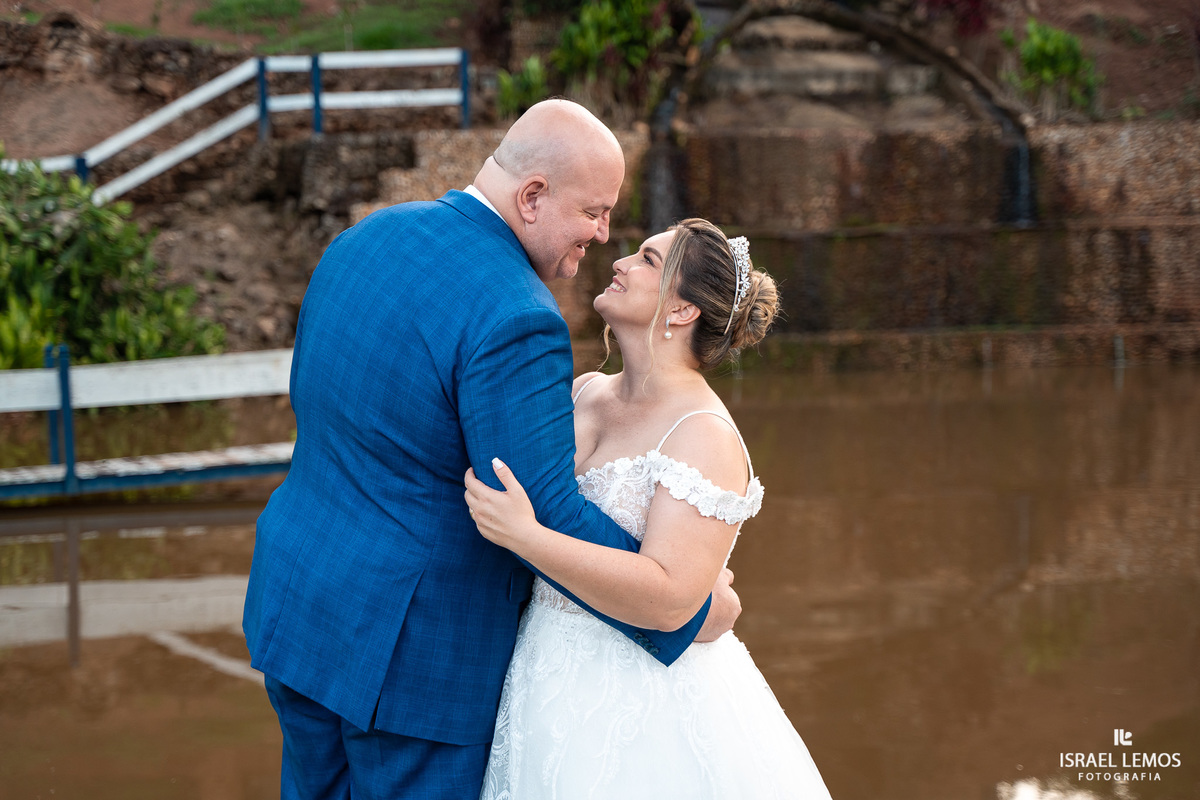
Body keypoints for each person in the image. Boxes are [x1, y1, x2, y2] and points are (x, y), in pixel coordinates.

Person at [241, 101, 740, 800]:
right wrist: (683, 604)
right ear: (533, 196)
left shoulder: (364, 239)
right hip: (414, 665)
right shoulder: (518, 315)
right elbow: (542, 510)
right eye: (593, 212)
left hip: (300, 610)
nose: (603, 236)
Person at [465, 219, 835, 799]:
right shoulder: (582, 390)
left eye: (648, 260)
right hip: (544, 669)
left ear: (683, 310)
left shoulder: (703, 433)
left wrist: (525, 536)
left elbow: (669, 599)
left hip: (644, 694)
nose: (621, 262)